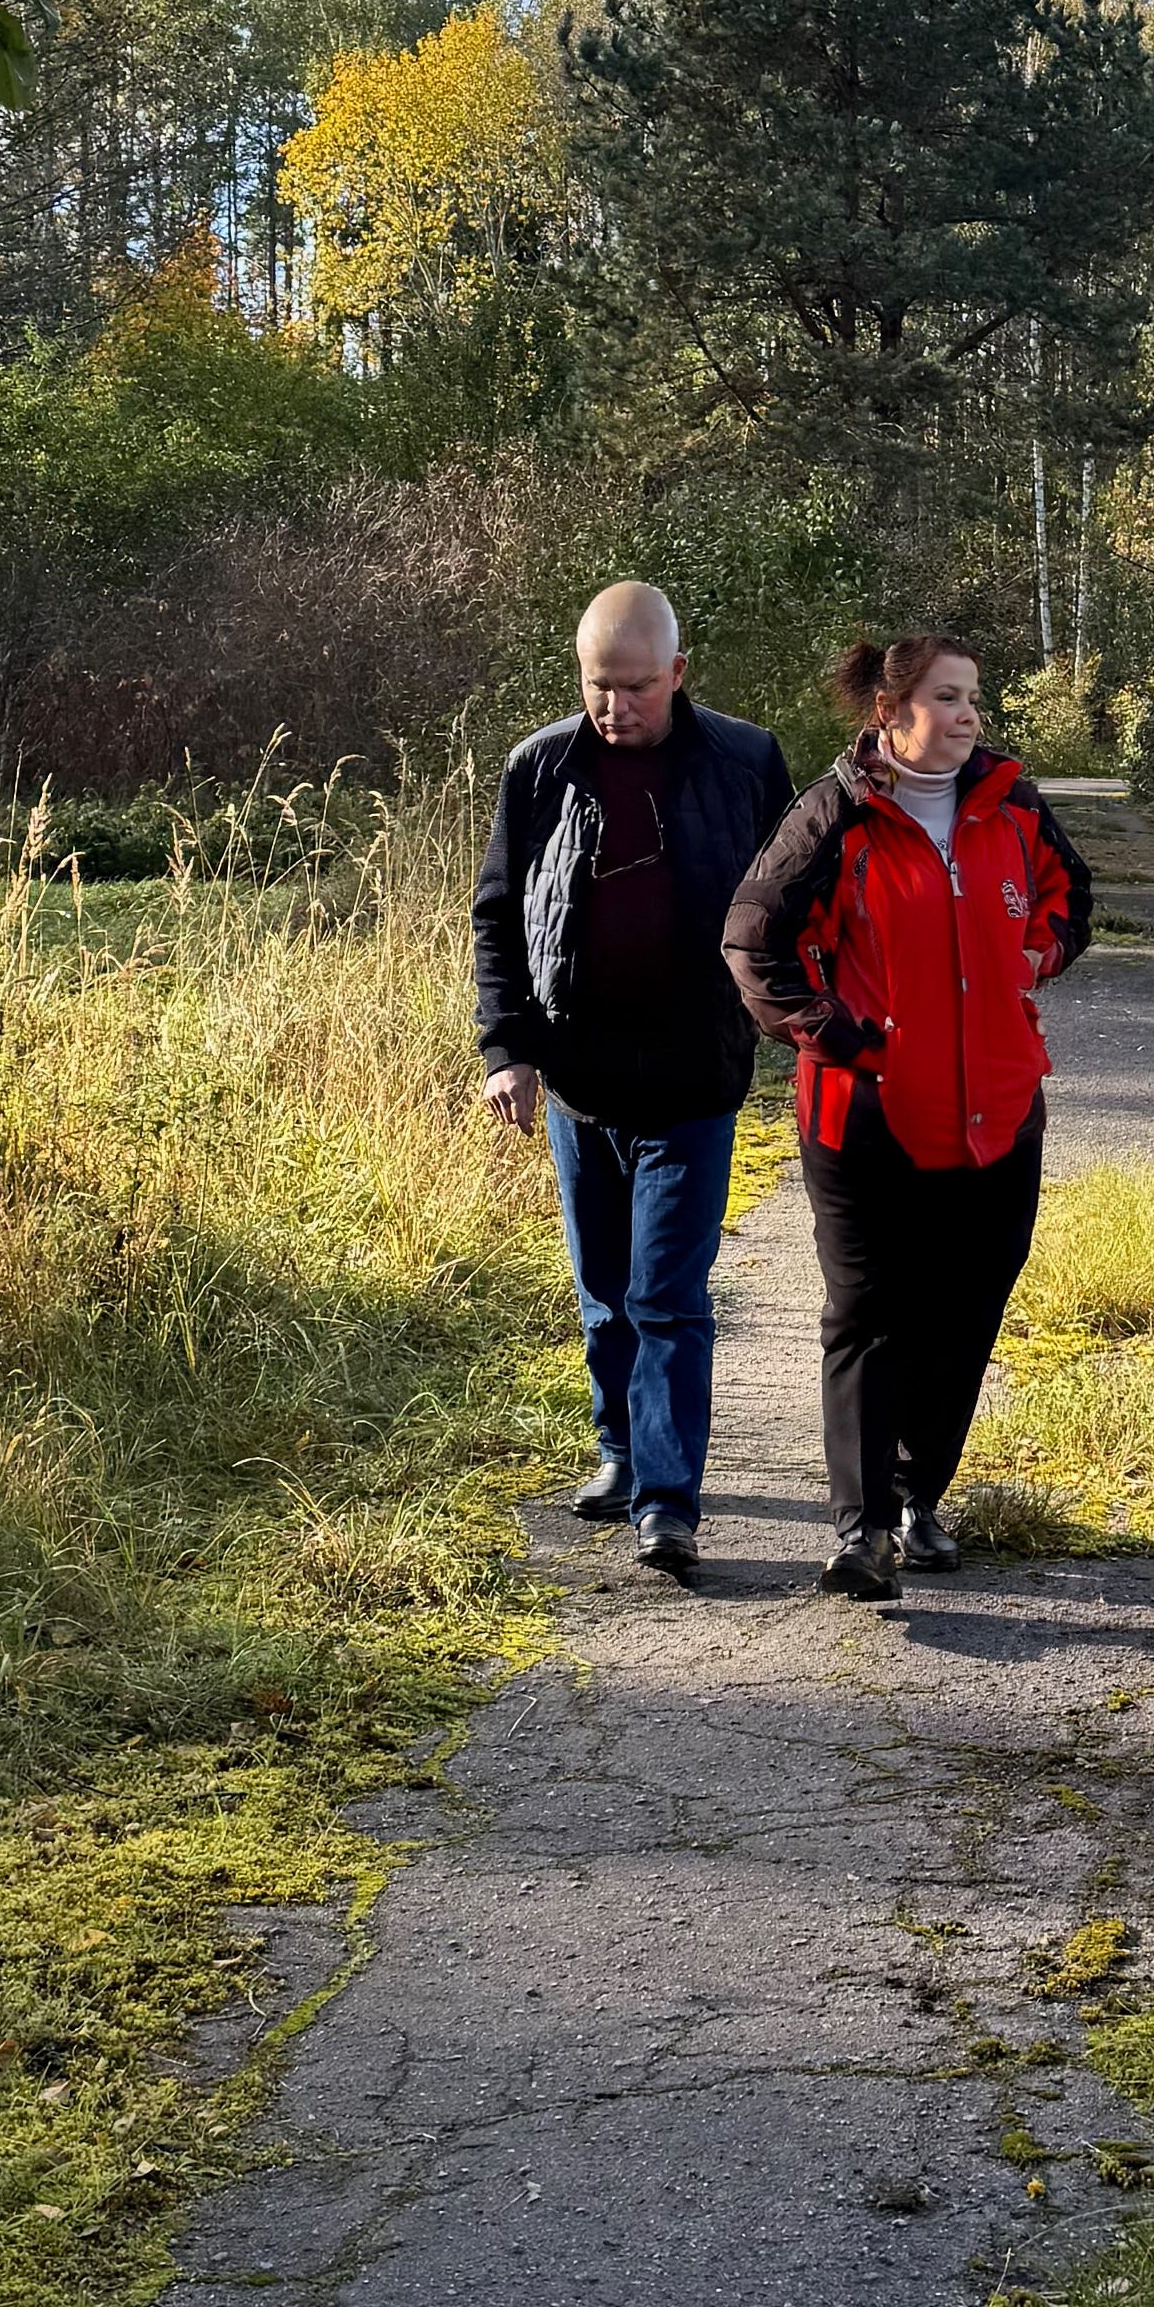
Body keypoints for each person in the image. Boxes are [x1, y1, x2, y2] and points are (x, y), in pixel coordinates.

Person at [726, 630, 1095, 1601]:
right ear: (890, 713)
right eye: (947, 697)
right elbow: (754, 941)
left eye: (973, 697)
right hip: (866, 1118)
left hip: (999, 1111)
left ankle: (916, 1496)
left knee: (965, 1309)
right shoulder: (833, 815)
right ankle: (862, 1533)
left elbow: (1070, 898)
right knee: (868, 1314)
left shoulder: (1012, 804)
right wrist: (844, 1039)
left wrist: (1035, 957)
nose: (969, 715)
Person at [472, 581, 796, 1581]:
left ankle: (667, 1504)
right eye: (598, 686)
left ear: (679, 672)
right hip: (580, 1082)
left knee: (667, 1296)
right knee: (605, 1295)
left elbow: (794, 903)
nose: (616, 707)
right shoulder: (540, 768)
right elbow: (498, 916)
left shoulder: (745, 762)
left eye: (638, 687)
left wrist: (799, 1019)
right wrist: (507, 1051)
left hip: (695, 1080)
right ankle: (618, 1450)